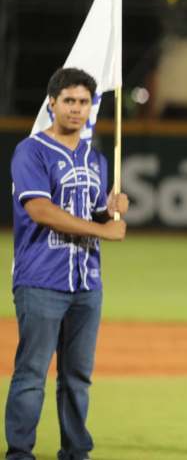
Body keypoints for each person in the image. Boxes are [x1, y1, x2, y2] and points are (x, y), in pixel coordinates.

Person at [5, 67, 129, 460]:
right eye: (69, 101)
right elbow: (40, 209)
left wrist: (110, 214)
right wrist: (104, 233)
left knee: (77, 377)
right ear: (53, 104)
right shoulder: (31, 151)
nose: (77, 109)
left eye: (84, 102)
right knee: (31, 375)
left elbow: (93, 216)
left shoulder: (96, 159)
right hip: (41, 279)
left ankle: (76, 451)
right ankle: (20, 452)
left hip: (86, 284)